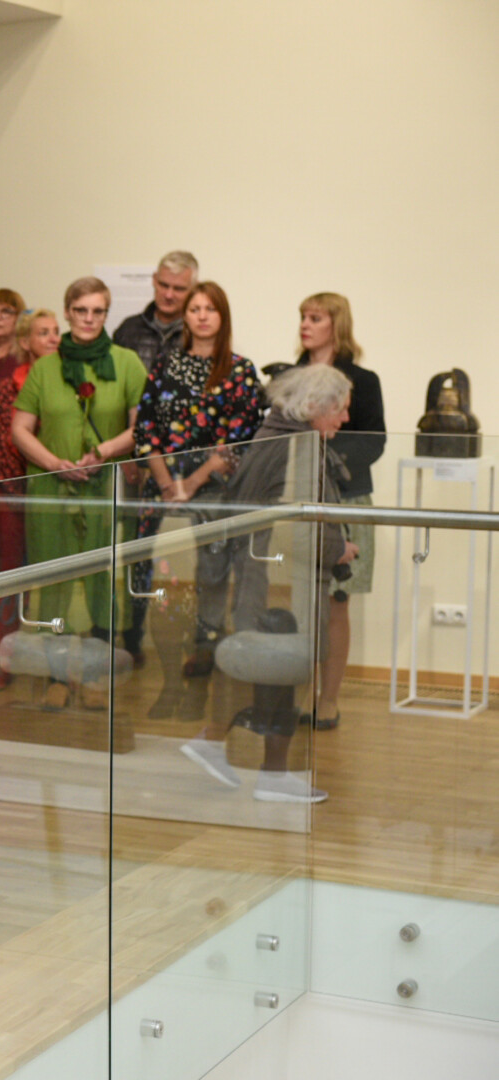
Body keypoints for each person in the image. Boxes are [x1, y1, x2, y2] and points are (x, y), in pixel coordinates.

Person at [179, 365, 358, 803]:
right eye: (340, 408)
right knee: (279, 669)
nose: (345, 419)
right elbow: (300, 518)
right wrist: (338, 548)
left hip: (268, 574)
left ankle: (259, 765)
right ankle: (251, 762)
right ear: (313, 406)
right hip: (279, 580)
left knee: (276, 672)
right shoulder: (295, 445)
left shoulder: (276, 435)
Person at [11, 278, 147, 706]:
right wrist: (54, 462)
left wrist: (102, 453)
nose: (89, 318)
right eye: (81, 310)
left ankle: (94, 677)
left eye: (97, 311)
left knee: (101, 579)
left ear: (106, 313)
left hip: (103, 488)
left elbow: (141, 428)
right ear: (68, 311)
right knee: (53, 580)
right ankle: (57, 678)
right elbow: (19, 428)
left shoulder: (127, 362)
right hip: (50, 488)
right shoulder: (44, 367)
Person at [132, 282, 266, 693]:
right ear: (185, 317)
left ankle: (214, 645)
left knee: (214, 568)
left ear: (223, 317)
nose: (202, 316)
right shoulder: (166, 365)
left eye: (211, 309)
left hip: (216, 484)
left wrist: (192, 481)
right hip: (163, 483)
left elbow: (241, 437)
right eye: (195, 309)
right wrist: (165, 481)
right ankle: (142, 643)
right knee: (156, 566)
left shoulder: (240, 370)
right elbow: (146, 428)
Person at [292, 292, 383, 730]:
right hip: (299, 498)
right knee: (301, 601)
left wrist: (328, 460)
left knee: (336, 603)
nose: (305, 325)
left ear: (336, 325)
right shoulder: (290, 377)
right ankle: (301, 693)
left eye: (315, 318)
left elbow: (374, 441)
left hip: (346, 496)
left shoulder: (363, 380)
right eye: (303, 317)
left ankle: (328, 699)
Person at [0, 307, 58, 691]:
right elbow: (2, 443)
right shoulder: (6, 386)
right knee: (10, 579)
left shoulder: (65, 383)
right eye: (44, 332)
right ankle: (5, 660)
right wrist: (22, 491)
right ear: (25, 341)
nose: (53, 338)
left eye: (56, 331)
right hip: (13, 494)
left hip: (57, 492)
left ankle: (56, 663)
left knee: (57, 579)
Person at [112, 250, 198, 373]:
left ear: (194, 288)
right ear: (154, 280)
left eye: (178, 289)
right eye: (163, 285)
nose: (168, 295)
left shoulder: (199, 334)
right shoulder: (128, 329)